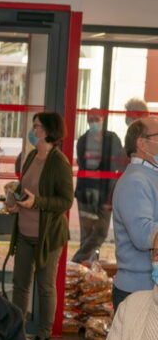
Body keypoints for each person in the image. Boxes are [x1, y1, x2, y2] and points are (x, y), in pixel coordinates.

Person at [7, 111, 73, 340]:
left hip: (48, 237)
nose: (33, 132)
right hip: (24, 231)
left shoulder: (59, 162)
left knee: (45, 286)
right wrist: (15, 202)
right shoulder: (32, 155)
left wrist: (37, 202)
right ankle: (16, 332)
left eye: (37, 127)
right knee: (20, 284)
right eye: (34, 126)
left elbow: (65, 202)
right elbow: (24, 188)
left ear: (48, 131)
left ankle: (44, 334)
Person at [111, 115, 158, 310]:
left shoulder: (150, 176)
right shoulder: (135, 181)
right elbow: (142, 235)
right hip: (138, 292)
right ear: (142, 143)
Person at [72, 110, 126, 264]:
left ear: (103, 119)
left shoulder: (112, 138)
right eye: (90, 119)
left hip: (106, 192)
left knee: (101, 231)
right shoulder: (83, 140)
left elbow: (118, 161)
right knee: (87, 233)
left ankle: (77, 261)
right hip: (86, 193)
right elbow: (84, 164)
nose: (93, 122)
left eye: (96, 119)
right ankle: (87, 270)